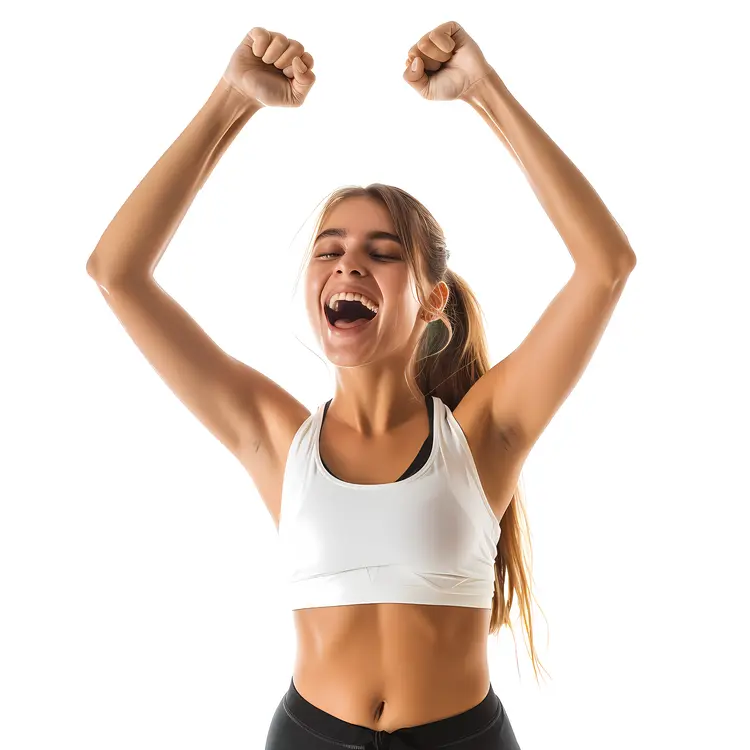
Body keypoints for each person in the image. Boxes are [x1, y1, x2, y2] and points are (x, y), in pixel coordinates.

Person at [86, 21, 636, 750]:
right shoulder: (275, 438)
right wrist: (231, 101)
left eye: (381, 253)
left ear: (431, 300)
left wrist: (484, 92)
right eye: (329, 250)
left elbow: (606, 266)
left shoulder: (482, 437)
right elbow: (116, 273)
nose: (349, 266)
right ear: (313, 285)